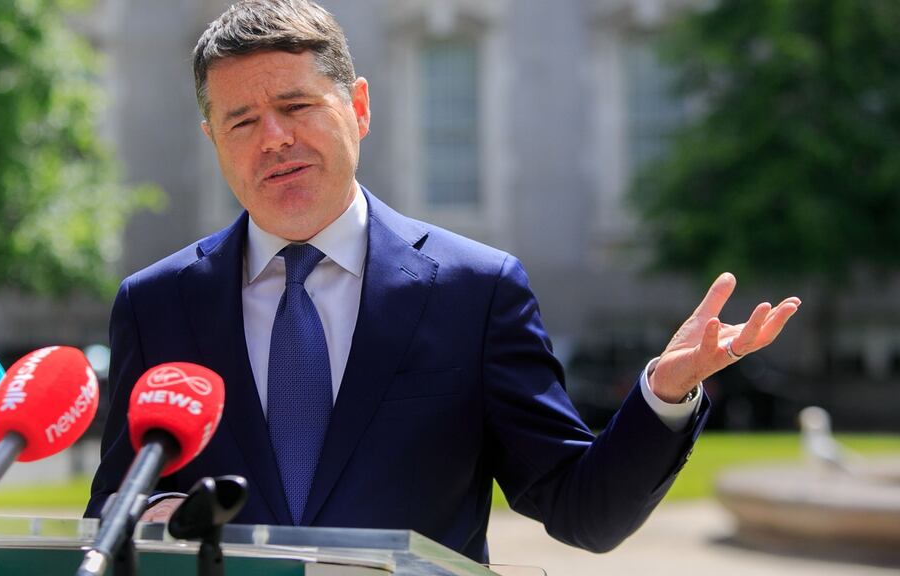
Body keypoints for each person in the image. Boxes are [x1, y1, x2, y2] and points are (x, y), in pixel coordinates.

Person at [86, 0, 800, 562]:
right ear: (215, 142)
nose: (273, 138)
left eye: (297, 107)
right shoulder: (156, 304)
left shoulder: (474, 292)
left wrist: (664, 395)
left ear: (358, 108)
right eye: (241, 120)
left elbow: (582, 512)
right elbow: (111, 517)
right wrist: (144, 521)